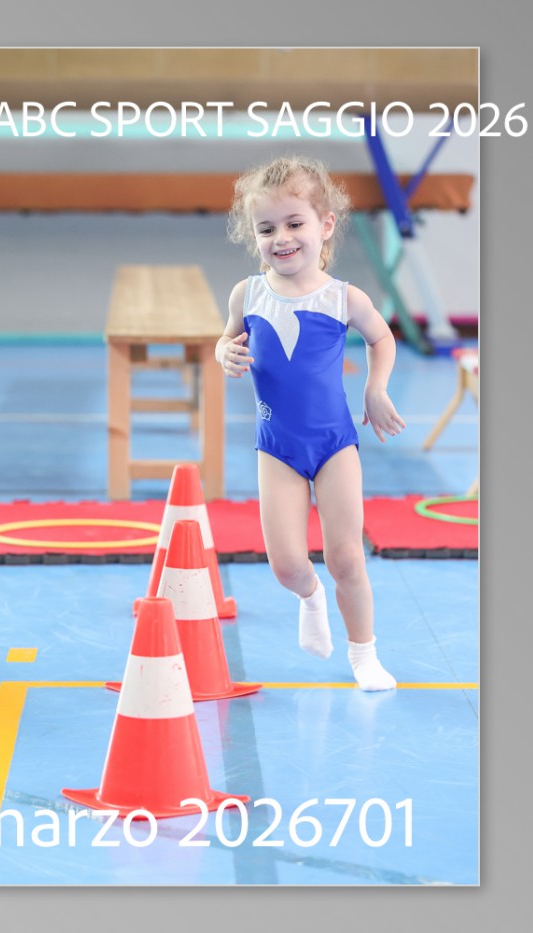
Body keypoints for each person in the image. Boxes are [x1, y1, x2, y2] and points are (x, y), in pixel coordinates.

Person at [218, 156, 405, 692]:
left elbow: (382, 338)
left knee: (345, 557)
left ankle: (364, 653)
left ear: (325, 225)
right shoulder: (248, 294)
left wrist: (375, 388)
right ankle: (310, 596)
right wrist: (224, 352)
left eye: (294, 223)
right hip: (276, 447)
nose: (281, 238)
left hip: (333, 444)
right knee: (287, 566)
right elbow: (227, 336)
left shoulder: (343, 297)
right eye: (266, 228)